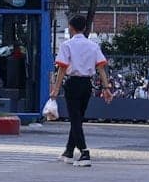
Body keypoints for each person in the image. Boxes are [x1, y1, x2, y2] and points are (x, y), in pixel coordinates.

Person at [48, 14, 112, 166]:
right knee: (78, 118)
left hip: (73, 83)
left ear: (71, 27)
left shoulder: (67, 45)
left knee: (75, 119)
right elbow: (101, 68)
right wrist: (106, 88)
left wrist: (56, 89)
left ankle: (84, 152)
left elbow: (62, 69)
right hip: (87, 85)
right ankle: (69, 151)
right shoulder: (93, 45)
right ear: (84, 28)